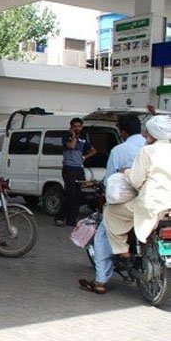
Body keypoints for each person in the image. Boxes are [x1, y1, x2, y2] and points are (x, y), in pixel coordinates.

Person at [79, 114, 145, 294]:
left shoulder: (120, 151)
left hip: (132, 204)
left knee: (102, 233)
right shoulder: (154, 148)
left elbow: (109, 182)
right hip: (160, 204)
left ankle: (100, 281)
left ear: (123, 132)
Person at [104, 115, 171, 259]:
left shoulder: (147, 151)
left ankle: (124, 252)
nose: (145, 135)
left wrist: (126, 171)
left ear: (153, 133)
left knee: (111, 212)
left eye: (147, 132)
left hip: (153, 204)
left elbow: (136, 181)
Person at [55, 117, 97, 227]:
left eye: (79, 126)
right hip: (69, 169)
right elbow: (72, 146)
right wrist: (73, 135)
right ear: (71, 127)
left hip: (79, 169)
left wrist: (84, 157)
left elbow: (93, 151)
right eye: (75, 126)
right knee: (70, 194)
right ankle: (59, 217)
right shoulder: (66, 137)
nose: (77, 128)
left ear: (82, 127)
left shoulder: (83, 139)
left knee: (78, 195)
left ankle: (71, 220)